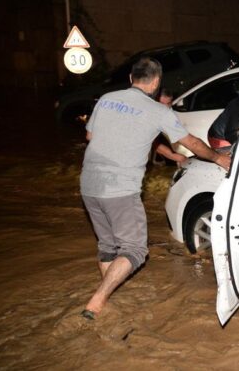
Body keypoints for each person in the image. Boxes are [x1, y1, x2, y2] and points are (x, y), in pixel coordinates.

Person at [80, 57, 230, 320]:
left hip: (89, 184)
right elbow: (191, 142)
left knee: (107, 245)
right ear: (157, 82)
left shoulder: (106, 99)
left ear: (131, 78)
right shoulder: (158, 112)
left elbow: (90, 136)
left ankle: (109, 296)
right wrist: (218, 158)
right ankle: (97, 301)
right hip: (120, 189)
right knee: (135, 250)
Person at [152, 88, 187, 165]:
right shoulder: (148, 114)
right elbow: (152, 142)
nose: (165, 108)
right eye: (161, 104)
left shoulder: (170, 112)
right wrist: (173, 156)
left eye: (168, 103)